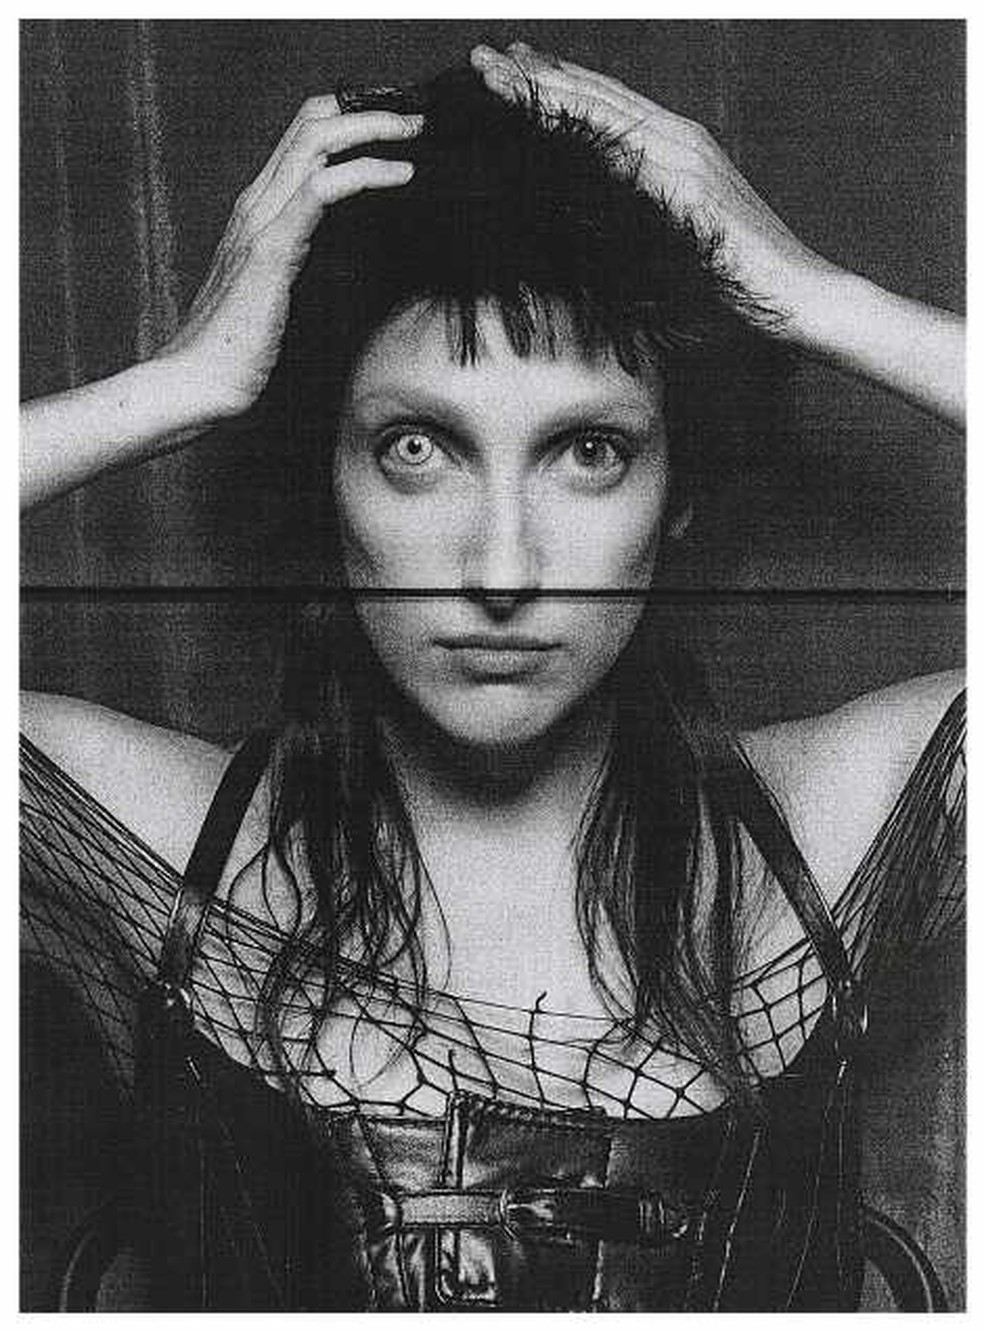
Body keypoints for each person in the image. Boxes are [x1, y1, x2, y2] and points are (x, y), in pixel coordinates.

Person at [20, 42, 964, 1311]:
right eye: (418, 447)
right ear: (326, 480)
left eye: (590, 451)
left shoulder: (836, 823)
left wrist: (817, 297)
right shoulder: (150, 838)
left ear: (679, 495)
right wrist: (180, 385)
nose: (503, 568)